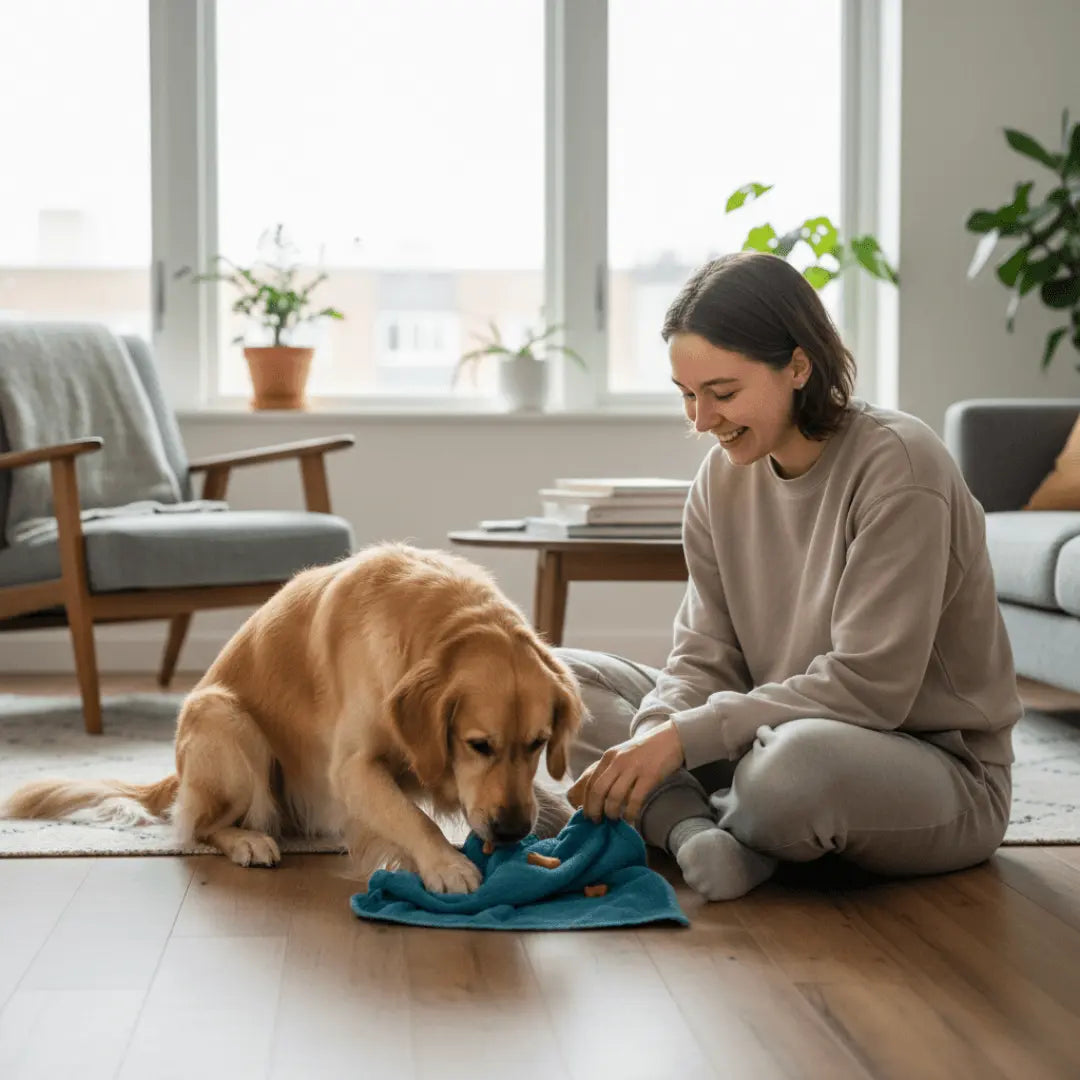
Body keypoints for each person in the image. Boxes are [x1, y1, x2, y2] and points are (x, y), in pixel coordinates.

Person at [561, 251, 1020, 902]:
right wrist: (653, 734)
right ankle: (703, 835)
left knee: (792, 775)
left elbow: (871, 689)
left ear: (799, 366)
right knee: (560, 686)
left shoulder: (900, 467)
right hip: (762, 737)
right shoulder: (718, 481)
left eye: (721, 394)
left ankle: (711, 818)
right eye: (688, 396)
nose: (700, 421)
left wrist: (680, 743)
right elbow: (702, 660)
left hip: (928, 766)